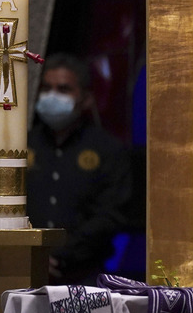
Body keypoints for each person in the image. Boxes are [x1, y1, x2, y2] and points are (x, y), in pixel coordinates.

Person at [27, 53, 132, 284]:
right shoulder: (23, 147)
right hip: (25, 269)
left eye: (63, 89)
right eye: (46, 88)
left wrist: (59, 255)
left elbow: (111, 214)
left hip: (85, 275)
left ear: (86, 99)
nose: (52, 96)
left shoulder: (108, 150)